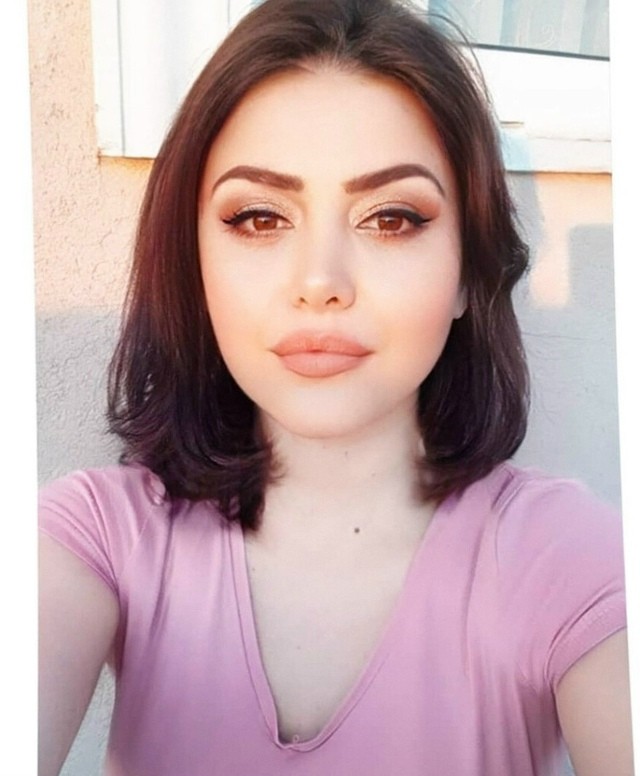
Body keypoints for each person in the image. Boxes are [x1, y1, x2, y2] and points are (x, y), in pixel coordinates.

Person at [38, 0, 632, 774]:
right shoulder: (92, 538)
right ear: (194, 264)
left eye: (391, 218)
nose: (320, 281)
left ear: (469, 271)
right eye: (259, 218)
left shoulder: (569, 560)